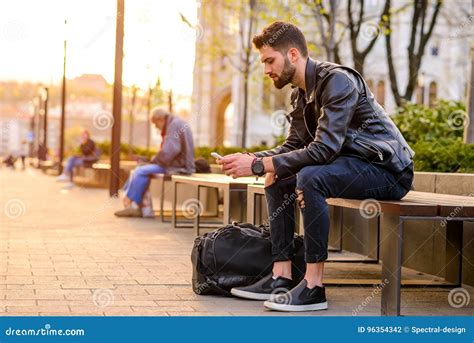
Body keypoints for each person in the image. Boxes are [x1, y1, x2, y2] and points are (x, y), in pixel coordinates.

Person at [217, 21, 414, 312]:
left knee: (309, 177)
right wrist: (251, 159)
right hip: (350, 165)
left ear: (293, 54)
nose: (266, 70)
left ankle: (313, 287)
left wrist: (258, 165)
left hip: (386, 170)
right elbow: (292, 147)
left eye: (270, 60)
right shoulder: (300, 93)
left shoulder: (338, 81)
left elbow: (324, 149)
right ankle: (281, 276)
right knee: (278, 174)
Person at [114, 107, 195, 218]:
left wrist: (153, 161)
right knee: (139, 169)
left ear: (160, 119)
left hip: (179, 167)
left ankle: (131, 201)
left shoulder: (174, 125)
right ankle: (135, 205)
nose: (156, 127)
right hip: (177, 163)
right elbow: (170, 150)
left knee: (141, 171)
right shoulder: (175, 122)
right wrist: (151, 160)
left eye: (155, 123)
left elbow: (170, 151)